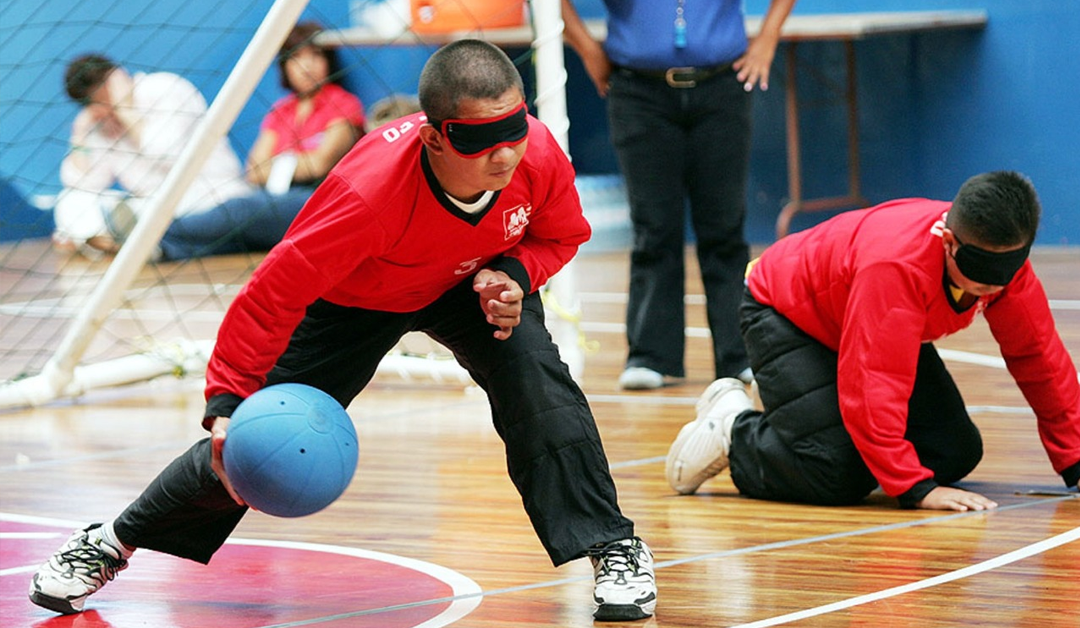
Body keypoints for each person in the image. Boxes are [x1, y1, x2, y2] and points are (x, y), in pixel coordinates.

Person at [29, 40, 657, 622]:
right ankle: (108, 543)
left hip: (474, 282)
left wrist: (517, 273)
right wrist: (225, 404)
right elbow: (271, 294)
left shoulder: (537, 154)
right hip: (363, 298)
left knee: (537, 383)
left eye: (513, 130)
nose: (504, 152)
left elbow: (563, 234)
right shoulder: (366, 196)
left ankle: (614, 547)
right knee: (250, 443)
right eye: (480, 138)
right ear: (436, 138)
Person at [664, 171, 1080, 512]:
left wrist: (1076, 458)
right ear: (949, 242)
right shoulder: (897, 265)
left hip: (855, 318)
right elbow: (874, 381)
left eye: (1006, 269)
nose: (992, 287)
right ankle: (735, 430)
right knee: (835, 472)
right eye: (982, 270)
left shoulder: (1001, 272)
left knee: (956, 452)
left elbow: (1039, 356)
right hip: (786, 313)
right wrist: (915, 490)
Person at [561, 0, 797, 390]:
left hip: (723, 86)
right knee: (654, 227)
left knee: (724, 228)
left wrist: (768, 36)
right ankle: (649, 356)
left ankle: (739, 354)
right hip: (638, 92)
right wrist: (588, 49)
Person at [53, 53, 310, 261]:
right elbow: (80, 185)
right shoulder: (100, 123)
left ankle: (145, 243)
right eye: (97, 103)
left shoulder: (166, 88)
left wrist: (126, 112)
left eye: (107, 97)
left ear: (118, 78)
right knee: (69, 203)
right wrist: (80, 135)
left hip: (212, 201)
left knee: (240, 214)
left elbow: (166, 154)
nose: (107, 109)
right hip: (152, 211)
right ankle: (148, 242)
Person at [244, 21, 365, 192]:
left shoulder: (345, 104)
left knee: (241, 209)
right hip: (274, 197)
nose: (306, 66)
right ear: (284, 65)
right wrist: (298, 164)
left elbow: (320, 165)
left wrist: (276, 164)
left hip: (322, 195)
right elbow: (253, 172)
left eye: (315, 55)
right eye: (296, 56)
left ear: (328, 61)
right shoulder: (280, 110)